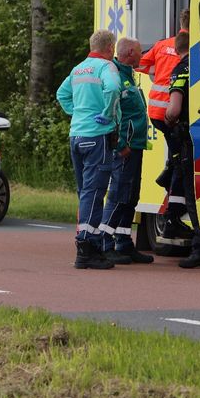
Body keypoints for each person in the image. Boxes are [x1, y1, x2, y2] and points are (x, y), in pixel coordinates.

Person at [56, 29, 121, 270]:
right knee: (94, 192)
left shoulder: (79, 68)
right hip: (97, 136)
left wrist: (77, 113)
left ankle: (87, 244)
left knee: (85, 191)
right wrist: (107, 114)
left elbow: (61, 94)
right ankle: (86, 247)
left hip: (77, 135)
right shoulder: (106, 67)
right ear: (110, 47)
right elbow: (113, 89)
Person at [137, 9, 193, 238]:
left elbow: (140, 65)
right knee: (182, 161)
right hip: (174, 114)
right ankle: (174, 212)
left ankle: (169, 173)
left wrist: (158, 70)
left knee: (176, 156)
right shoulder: (197, 46)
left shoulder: (162, 45)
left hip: (156, 113)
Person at [98, 37, 154, 264]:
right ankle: (104, 241)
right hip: (125, 149)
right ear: (130, 52)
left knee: (131, 196)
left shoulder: (129, 75)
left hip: (135, 147)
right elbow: (114, 114)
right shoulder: (116, 77)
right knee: (119, 195)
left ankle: (123, 242)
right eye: (140, 52)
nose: (142, 56)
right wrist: (121, 145)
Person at [165, 31, 200, 269]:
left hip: (190, 138)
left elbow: (174, 109)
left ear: (178, 49)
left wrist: (168, 119)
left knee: (194, 194)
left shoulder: (181, 69)